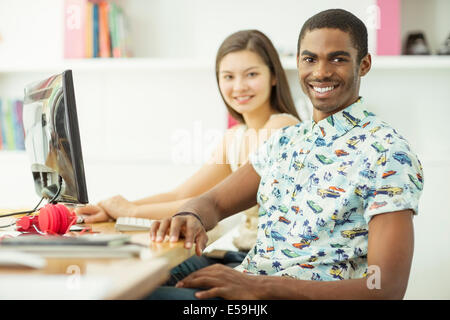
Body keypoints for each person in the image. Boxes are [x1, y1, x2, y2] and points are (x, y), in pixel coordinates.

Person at [148, 9, 424, 300]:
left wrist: (260, 286)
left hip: (269, 296)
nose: (320, 72)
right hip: (247, 282)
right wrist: (191, 215)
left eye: (338, 58)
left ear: (364, 64)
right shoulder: (285, 141)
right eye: (310, 59)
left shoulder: (387, 151)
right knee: (136, 279)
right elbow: (214, 201)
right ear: (298, 62)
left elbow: (385, 288)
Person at [75, 30, 301, 252]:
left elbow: (210, 204)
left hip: (268, 263)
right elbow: (181, 195)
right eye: (228, 76)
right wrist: (119, 209)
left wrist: (130, 211)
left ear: (273, 76)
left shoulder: (281, 127)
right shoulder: (235, 137)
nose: (239, 86)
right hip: (243, 253)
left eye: (251, 74)